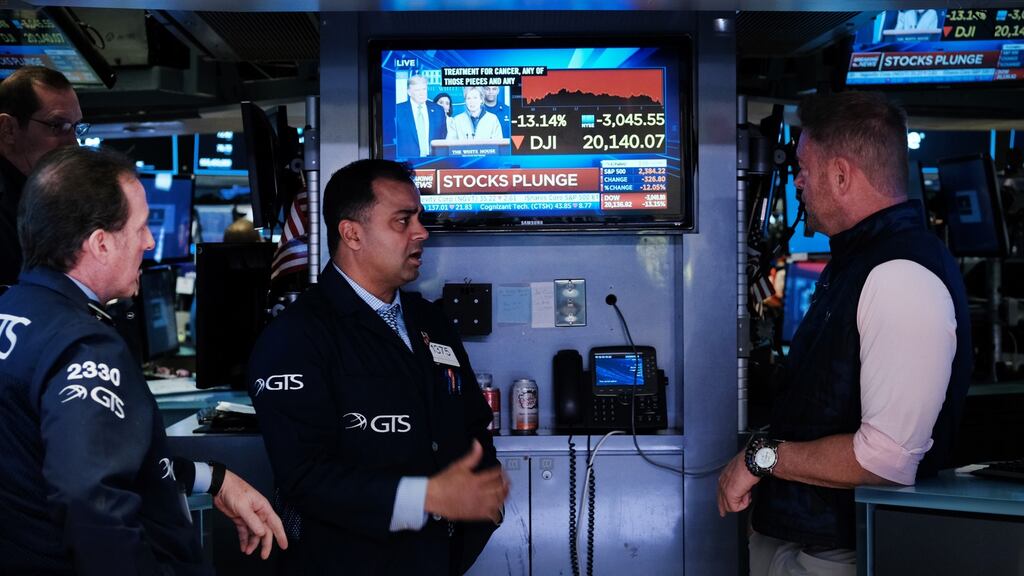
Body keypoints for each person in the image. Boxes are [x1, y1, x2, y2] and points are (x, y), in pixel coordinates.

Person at [0, 146, 288, 574]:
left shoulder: (16, 310)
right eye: (141, 228)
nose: (150, 242)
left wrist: (214, 479)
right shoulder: (83, 345)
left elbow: (87, 461)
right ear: (100, 243)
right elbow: (90, 496)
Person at [717, 92, 971, 576]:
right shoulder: (858, 263)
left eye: (803, 170)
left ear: (840, 174)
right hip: (806, 542)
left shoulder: (901, 274)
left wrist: (760, 459)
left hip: (841, 553)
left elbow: (885, 459)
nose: (797, 184)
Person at [249, 158, 508, 575]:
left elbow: (475, 425)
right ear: (352, 233)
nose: (421, 232)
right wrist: (426, 497)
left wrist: (482, 514)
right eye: (403, 221)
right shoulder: (296, 337)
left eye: (419, 218)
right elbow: (305, 478)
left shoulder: (431, 321)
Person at [0, 66, 84, 287]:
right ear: (8, 129)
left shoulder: (47, 193)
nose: (73, 143)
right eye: (58, 126)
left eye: (75, 127)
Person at [395, 75, 448, 158]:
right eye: (417, 90)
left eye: (424, 89)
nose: (422, 93)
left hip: (434, 160)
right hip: (407, 162)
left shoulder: (438, 110)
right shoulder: (398, 110)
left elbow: (443, 135)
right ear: (409, 92)